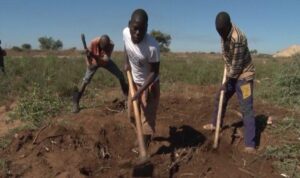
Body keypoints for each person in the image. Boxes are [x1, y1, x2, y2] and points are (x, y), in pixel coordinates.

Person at [203, 12, 256, 153]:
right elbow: (227, 56)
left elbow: (238, 66)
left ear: (228, 25)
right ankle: (216, 124)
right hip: (232, 74)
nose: (220, 34)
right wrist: (227, 73)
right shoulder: (223, 34)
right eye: (218, 31)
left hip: (244, 76)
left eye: (221, 31)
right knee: (221, 96)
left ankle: (250, 143)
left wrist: (227, 81)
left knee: (246, 107)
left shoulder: (237, 37)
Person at [123, 9, 160, 148]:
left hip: (149, 85)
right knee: (131, 115)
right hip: (134, 82)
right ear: (129, 25)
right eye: (135, 28)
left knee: (147, 120)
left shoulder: (152, 47)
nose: (138, 33)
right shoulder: (126, 33)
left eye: (142, 30)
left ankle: (145, 144)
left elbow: (154, 73)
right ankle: (141, 136)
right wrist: (126, 61)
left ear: (147, 28)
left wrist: (141, 91)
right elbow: (126, 45)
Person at [72, 35, 128, 113]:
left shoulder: (111, 45)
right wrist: (89, 64)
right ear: (99, 43)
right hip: (94, 62)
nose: (103, 49)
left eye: (105, 48)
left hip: (105, 62)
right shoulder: (93, 42)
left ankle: (127, 96)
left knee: (120, 75)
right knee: (85, 81)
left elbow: (105, 60)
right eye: (102, 47)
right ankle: (76, 102)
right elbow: (87, 55)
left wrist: (94, 55)